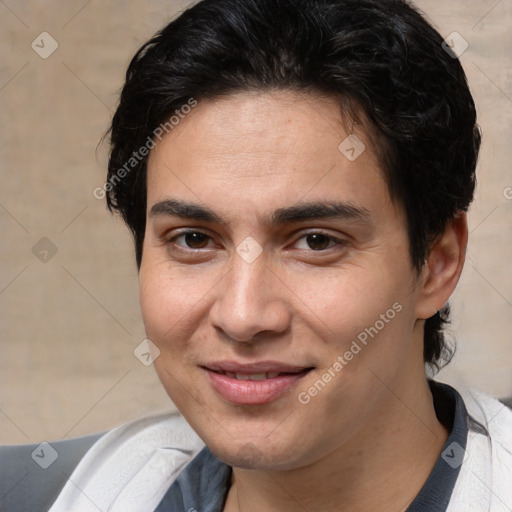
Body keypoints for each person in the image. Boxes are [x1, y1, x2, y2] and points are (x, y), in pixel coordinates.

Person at [1, 0, 511, 511]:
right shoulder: (57, 494)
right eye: (194, 240)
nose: (243, 316)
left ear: (437, 264)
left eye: (315, 241)